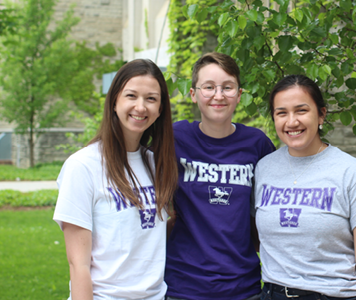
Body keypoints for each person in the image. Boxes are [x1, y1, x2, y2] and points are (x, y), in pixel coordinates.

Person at [254, 74, 356, 300]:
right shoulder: (264, 169)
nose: (292, 121)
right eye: (281, 113)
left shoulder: (351, 173)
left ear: (321, 115)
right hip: (272, 293)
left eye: (301, 110)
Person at [53, 59, 178, 300]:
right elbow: (78, 265)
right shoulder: (82, 166)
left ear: (161, 108)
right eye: (131, 95)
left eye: (151, 99)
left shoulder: (157, 164)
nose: (140, 107)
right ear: (114, 101)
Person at [165, 52, 275, 300]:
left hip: (243, 287)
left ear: (239, 94)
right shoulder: (175, 138)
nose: (218, 95)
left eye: (227, 87)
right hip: (184, 286)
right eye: (209, 87)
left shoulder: (257, 144)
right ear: (193, 94)